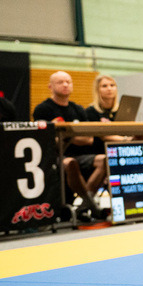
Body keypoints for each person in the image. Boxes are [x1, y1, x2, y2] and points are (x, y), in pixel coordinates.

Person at [33, 71, 108, 218]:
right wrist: (74, 135)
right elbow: (46, 140)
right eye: (60, 82)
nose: (65, 85)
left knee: (105, 160)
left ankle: (82, 206)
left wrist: (64, 134)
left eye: (68, 82)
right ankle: (92, 206)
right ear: (50, 86)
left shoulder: (78, 109)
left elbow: (89, 139)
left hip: (81, 155)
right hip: (56, 157)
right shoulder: (43, 109)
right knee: (71, 163)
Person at [84, 74, 132, 149]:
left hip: (121, 148)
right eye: (104, 86)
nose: (109, 89)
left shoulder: (122, 109)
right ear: (97, 90)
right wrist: (127, 140)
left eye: (112, 85)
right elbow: (103, 136)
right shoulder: (91, 111)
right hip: (99, 149)